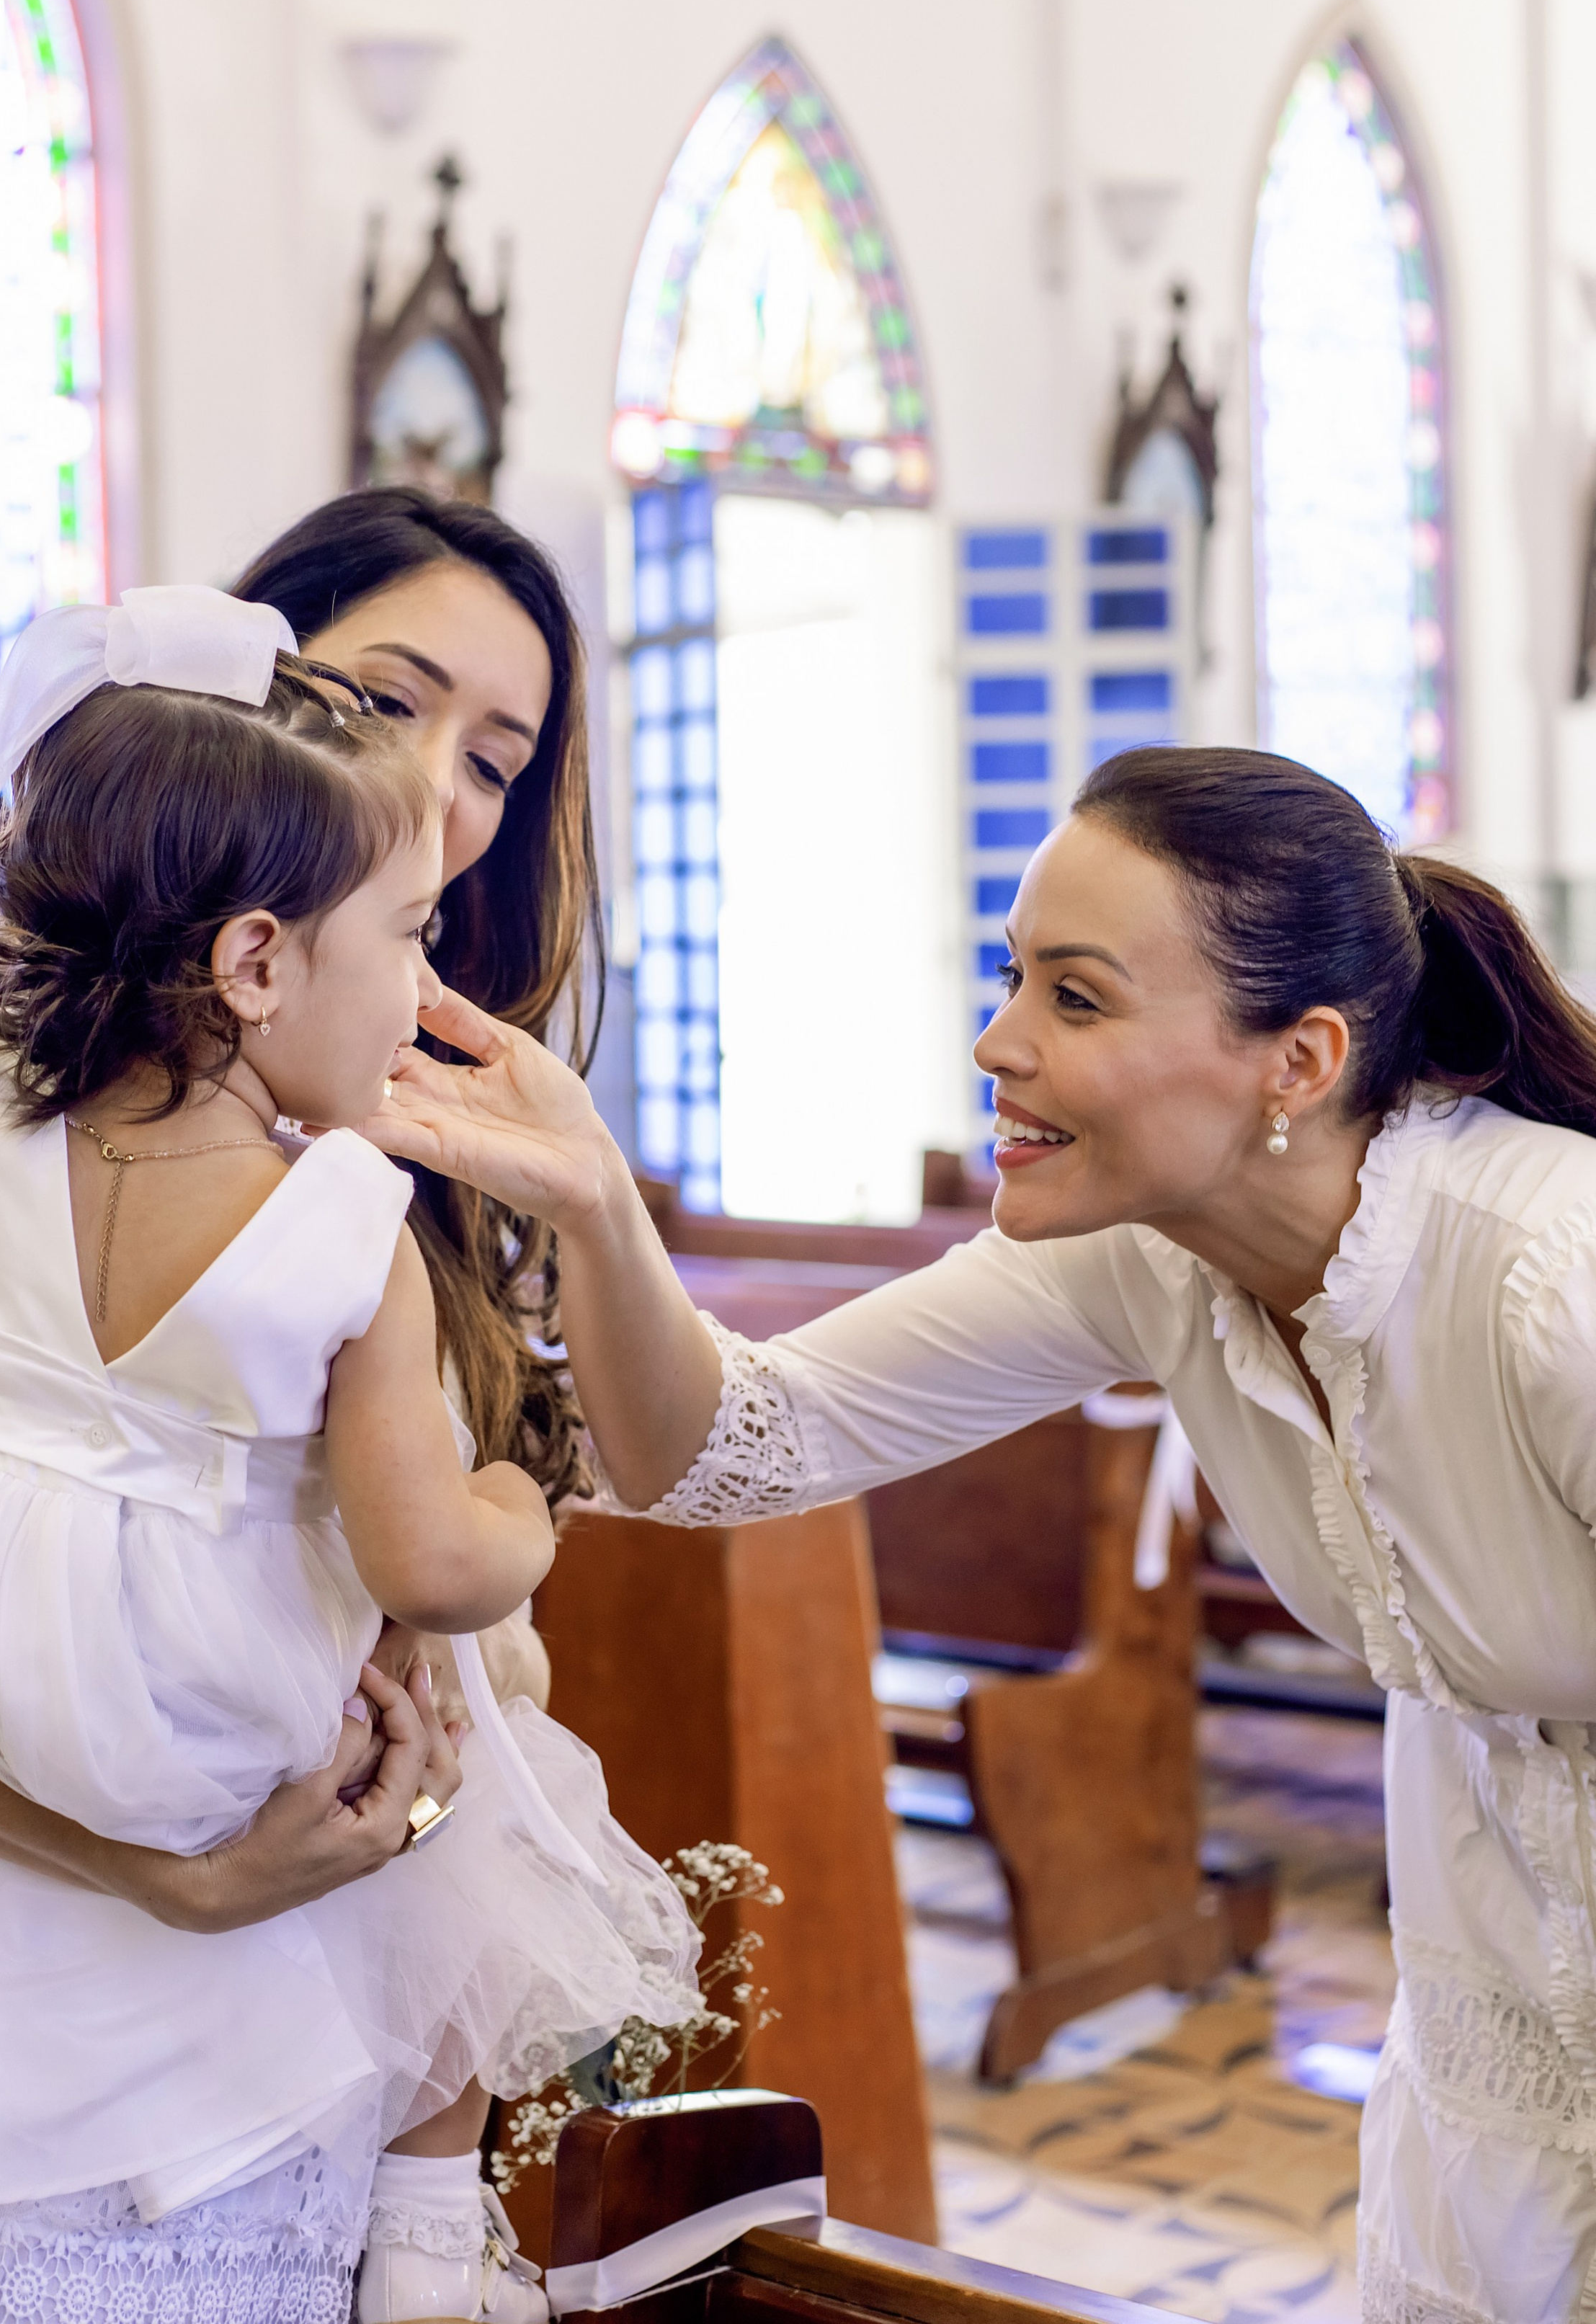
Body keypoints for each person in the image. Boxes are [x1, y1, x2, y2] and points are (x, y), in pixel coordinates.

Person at [370, 742, 1596, 2324]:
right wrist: (597, 1199)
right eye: (1009, 977)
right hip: (1492, 1952)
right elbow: (735, 1447)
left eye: (1073, 1000)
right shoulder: (1143, 1253)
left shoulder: (1540, 1277)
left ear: (1294, 1062)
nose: (994, 1040)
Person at [0, 586, 697, 2324]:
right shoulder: (348, 1222)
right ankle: (427, 2208)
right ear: (258, 960)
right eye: (409, 936)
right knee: (460, 1734)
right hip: (205, 1727)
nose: (425, 981)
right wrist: (521, 1512)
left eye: (496, 755)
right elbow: (426, 1562)